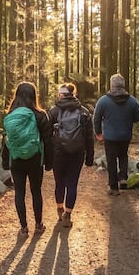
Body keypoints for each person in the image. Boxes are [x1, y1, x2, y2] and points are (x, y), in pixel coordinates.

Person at [1, 81, 53, 236]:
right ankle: (38, 225)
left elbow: (5, 140)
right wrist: (49, 162)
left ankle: (23, 228)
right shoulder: (40, 115)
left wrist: (5, 161)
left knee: (19, 193)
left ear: (16, 95)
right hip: (35, 159)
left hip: (16, 159)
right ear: (33, 96)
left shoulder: (10, 116)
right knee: (36, 191)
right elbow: (48, 140)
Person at [48, 83, 94, 228]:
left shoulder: (53, 111)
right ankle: (67, 214)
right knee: (72, 183)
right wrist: (90, 157)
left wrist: (47, 157)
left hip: (58, 152)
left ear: (60, 94)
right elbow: (89, 137)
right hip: (77, 152)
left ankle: (59, 208)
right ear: (74, 94)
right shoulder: (84, 112)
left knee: (59, 182)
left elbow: (47, 135)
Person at [92, 74, 139, 195]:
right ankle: (123, 178)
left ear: (112, 85)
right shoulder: (131, 100)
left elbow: (96, 118)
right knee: (123, 156)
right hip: (125, 135)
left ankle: (114, 187)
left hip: (109, 137)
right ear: (123, 85)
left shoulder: (103, 100)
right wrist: (128, 120)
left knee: (111, 160)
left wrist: (98, 134)